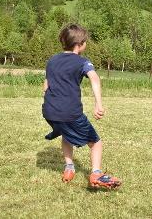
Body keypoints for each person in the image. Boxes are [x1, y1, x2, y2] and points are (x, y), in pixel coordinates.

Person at [42, 23, 121, 188]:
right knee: (96, 142)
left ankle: (69, 168)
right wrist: (98, 104)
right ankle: (96, 174)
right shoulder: (82, 62)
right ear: (80, 45)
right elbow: (94, 78)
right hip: (70, 113)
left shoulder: (52, 60)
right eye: (85, 42)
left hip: (49, 112)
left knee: (66, 135)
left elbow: (46, 86)